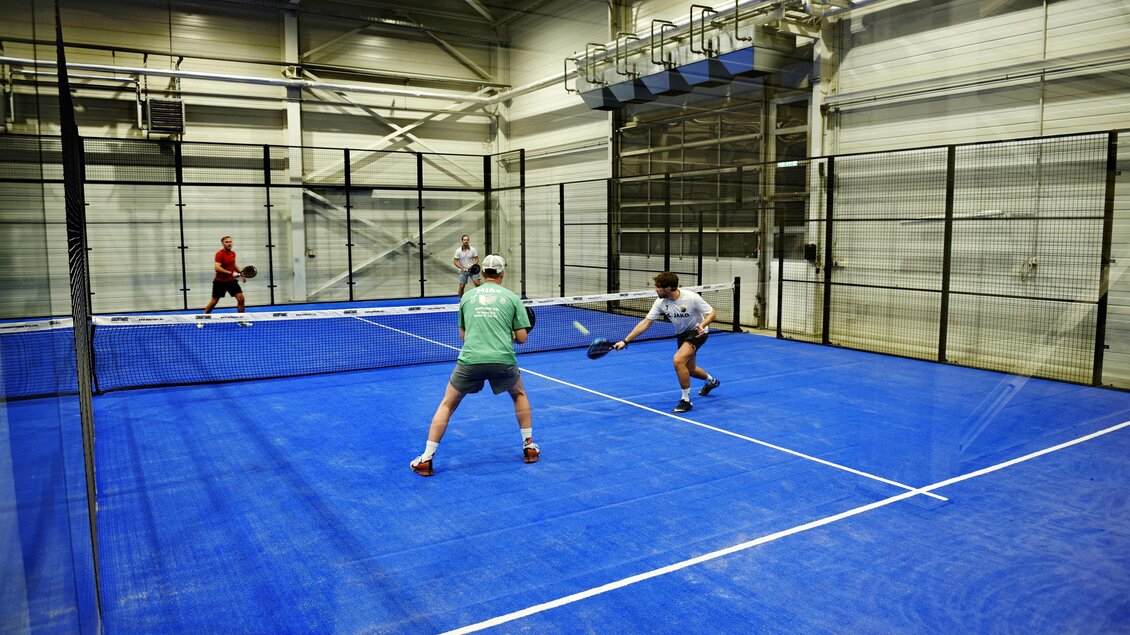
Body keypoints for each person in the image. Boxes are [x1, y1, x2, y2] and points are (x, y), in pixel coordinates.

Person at [411, 254, 537, 477]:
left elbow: (463, 336)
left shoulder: (467, 298)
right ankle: (529, 447)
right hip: (502, 360)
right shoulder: (512, 298)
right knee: (519, 394)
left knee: (447, 404)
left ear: (483, 272)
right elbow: (522, 338)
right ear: (502, 273)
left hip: (470, 360)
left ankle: (427, 458)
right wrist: (510, 333)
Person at [612, 272, 720, 413]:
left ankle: (686, 401)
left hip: (698, 332)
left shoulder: (691, 297)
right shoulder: (660, 302)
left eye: (658, 287)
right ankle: (712, 381)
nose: (656, 290)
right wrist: (625, 341)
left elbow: (712, 312)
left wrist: (703, 324)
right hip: (682, 334)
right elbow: (645, 323)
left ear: (668, 288)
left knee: (678, 360)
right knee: (690, 369)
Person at [200, 235, 250, 327]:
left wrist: (241, 273)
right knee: (214, 302)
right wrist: (231, 273)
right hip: (220, 282)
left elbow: (233, 265)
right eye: (226, 242)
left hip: (231, 281)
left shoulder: (233, 253)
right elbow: (217, 267)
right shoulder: (219, 254)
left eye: (230, 242)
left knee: (241, 298)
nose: (229, 243)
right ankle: (201, 319)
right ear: (223, 244)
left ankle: (241, 320)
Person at [453, 234, 482, 298]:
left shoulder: (473, 249)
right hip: (463, 271)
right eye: (464, 240)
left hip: (472, 270)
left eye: (467, 240)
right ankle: (461, 300)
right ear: (462, 241)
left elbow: (477, 259)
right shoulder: (458, 251)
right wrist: (462, 267)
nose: (466, 241)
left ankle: (480, 299)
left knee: (478, 284)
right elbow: (455, 261)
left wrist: (473, 265)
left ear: (469, 241)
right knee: (461, 286)